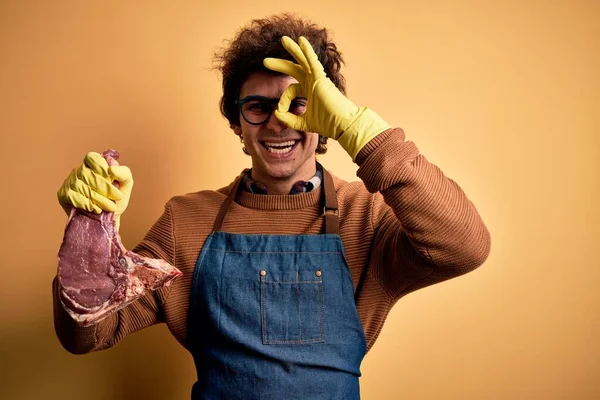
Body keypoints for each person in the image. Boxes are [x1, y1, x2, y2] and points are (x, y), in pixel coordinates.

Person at [53, 13, 491, 400]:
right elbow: (88, 334)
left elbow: (465, 246)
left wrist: (360, 130)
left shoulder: (368, 217)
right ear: (238, 124)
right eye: (258, 107)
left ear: (326, 121)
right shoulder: (186, 221)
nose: (278, 122)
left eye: (297, 105)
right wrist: (88, 229)